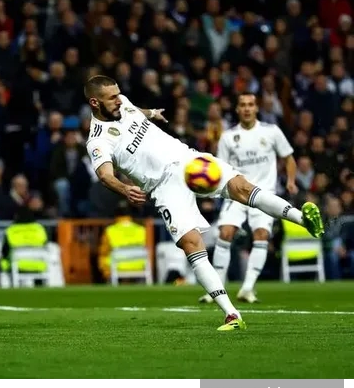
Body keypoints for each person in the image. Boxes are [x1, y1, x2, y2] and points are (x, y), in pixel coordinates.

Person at [83, 75, 324, 331]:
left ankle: (303, 219)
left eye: (119, 94)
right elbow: (105, 175)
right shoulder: (98, 140)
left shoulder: (123, 103)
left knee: (242, 187)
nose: (119, 100)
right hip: (163, 186)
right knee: (191, 244)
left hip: (188, 160)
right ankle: (232, 314)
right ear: (95, 103)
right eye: (112, 98)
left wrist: (151, 113)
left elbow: (134, 110)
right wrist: (125, 189)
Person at [199, 93, 298, 305]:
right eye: (243, 105)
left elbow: (289, 157)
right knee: (225, 233)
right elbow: (221, 168)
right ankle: (215, 289)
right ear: (237, 109)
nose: (246, 108)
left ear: (256, 108)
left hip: (264, 194)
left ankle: (247, 288)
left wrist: (290, 181)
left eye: (251, 105)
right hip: (236, 193)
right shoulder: (228, 137)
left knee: (261, 235)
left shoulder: (271, 131)